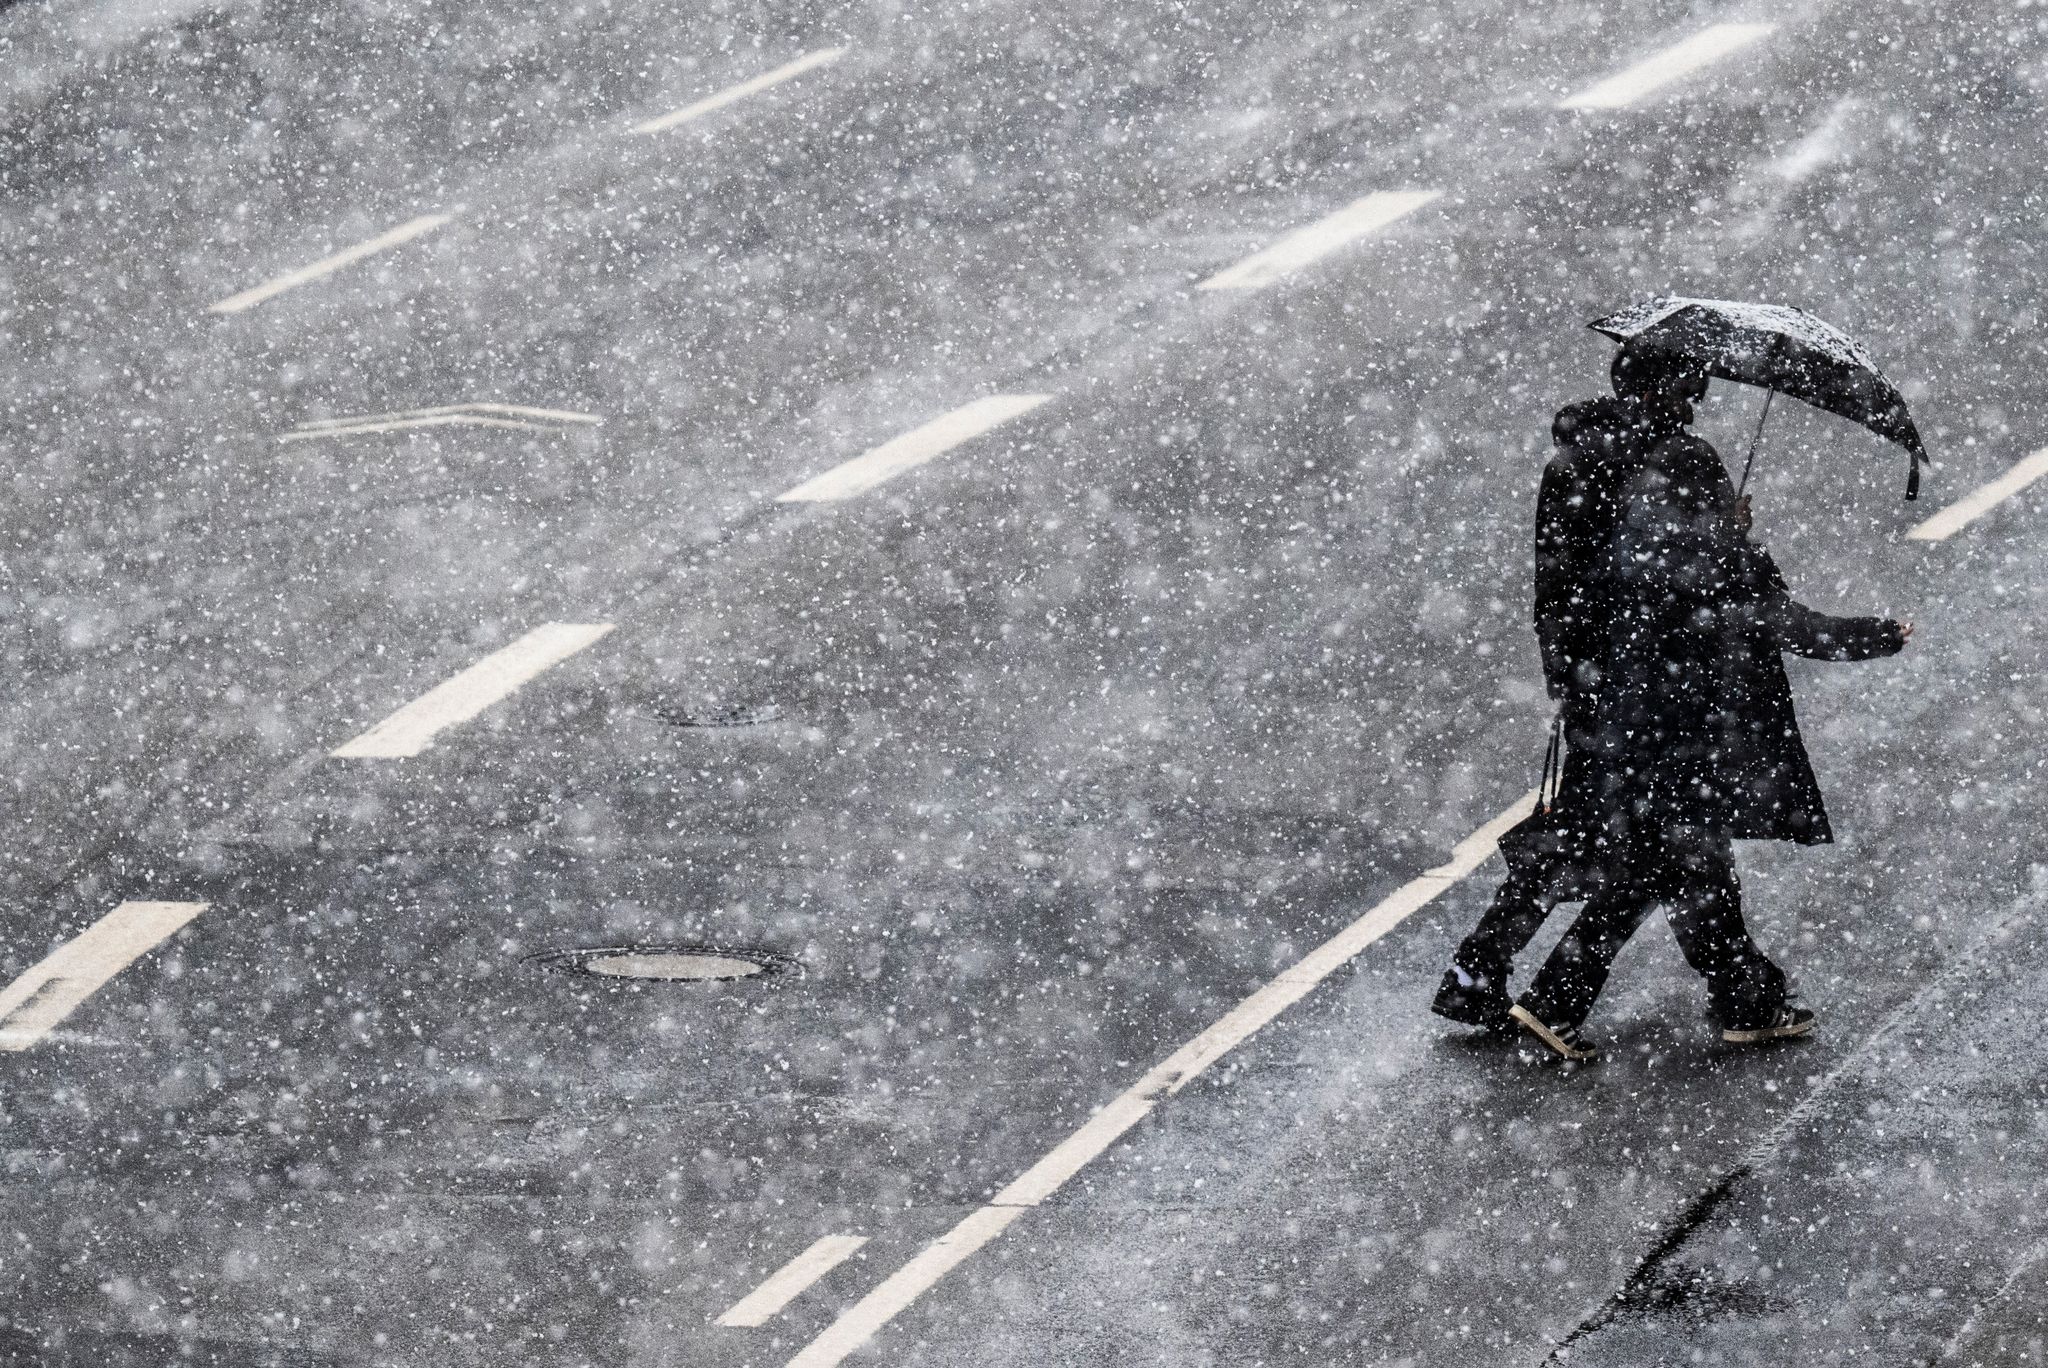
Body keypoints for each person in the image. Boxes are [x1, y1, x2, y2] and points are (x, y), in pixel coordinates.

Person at [1504, 354, 1911, 1061]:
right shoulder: (1691, 483)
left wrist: (1573, 681)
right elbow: (1773, 616)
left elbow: (1583, 583)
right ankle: (1566, 1000)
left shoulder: (1596, 482)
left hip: (1627, 703)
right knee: (1669, 861)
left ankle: (1741, 998)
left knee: (1677, 860)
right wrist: (1871, 634)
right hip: (1685, 719)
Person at [1431, 348, 1683, 1029]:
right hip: (1632, 689)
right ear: (1658, 391)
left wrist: (1570, 676)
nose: (1694, 405)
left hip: (1604, 685)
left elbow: (1560, 591)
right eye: (1686, 389)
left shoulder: (1586, 464)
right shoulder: (1628, 469)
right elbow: (1620, 583)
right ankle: (1521, 984)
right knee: (1643, 845)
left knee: (1589, 835)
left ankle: (1479, 968)